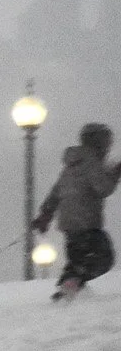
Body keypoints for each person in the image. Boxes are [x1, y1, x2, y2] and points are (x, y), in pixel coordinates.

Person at [33, 121, 120, 300]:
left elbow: (56, 192)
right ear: (99, 143)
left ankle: (70, 289)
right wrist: (115, 172)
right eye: (107, 142)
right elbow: (103, 188)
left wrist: (45, 214)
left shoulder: (72, 165)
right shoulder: (91, 161)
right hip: (87, 221)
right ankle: (71, 283)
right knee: (103, 258)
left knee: (80, 258)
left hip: (69, 223)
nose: (108, 147)